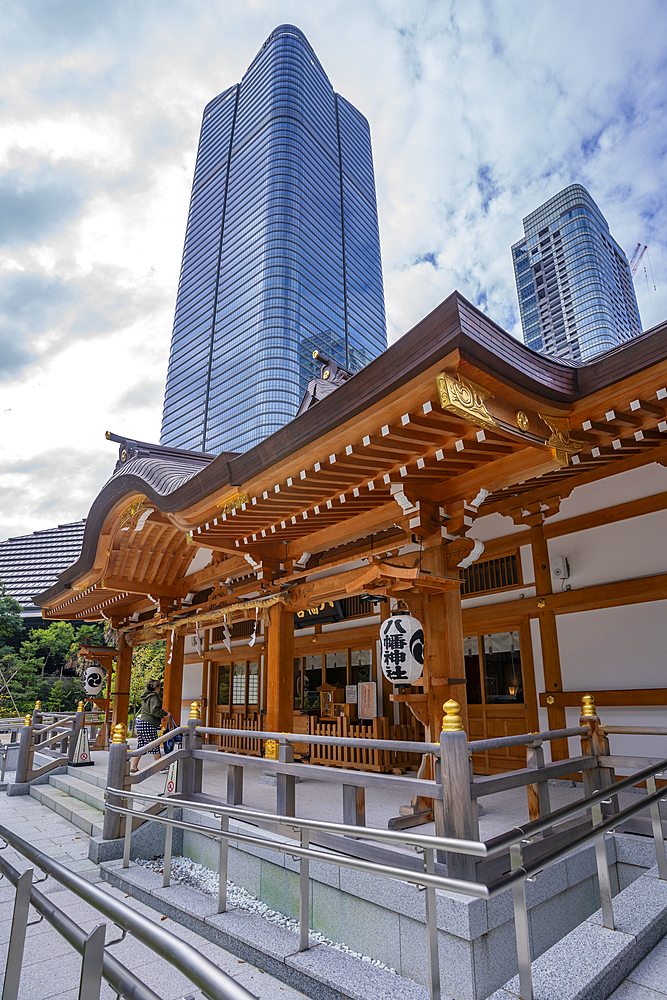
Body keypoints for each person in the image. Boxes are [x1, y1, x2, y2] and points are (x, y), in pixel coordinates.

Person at [130, 679, 173, 773]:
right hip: (148, 724)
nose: (160, 690)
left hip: (141, 722)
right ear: (156, 688)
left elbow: (149, 711)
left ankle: (134, 767)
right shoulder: (154, 697)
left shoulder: (145, 696)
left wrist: (160, 717)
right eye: (159, 688)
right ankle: (161, 767)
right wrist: (165, 713)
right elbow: (155, 710)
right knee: (155, 745)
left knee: (141, 747)